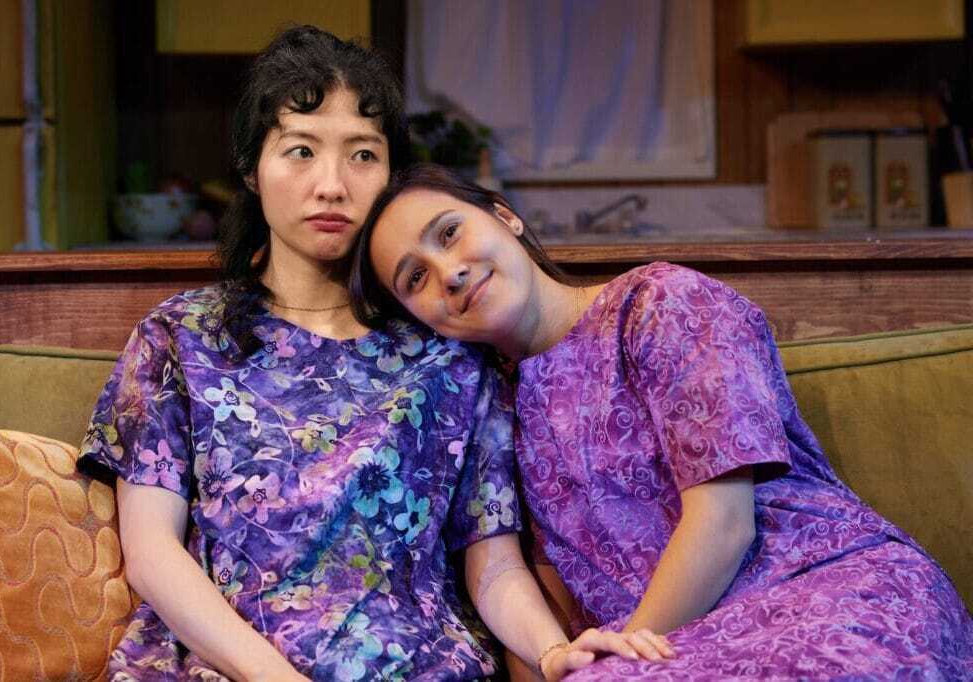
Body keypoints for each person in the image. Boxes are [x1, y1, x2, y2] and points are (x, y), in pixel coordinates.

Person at [78, 27, 663, 681]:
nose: (331, 185)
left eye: (362, 154)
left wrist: (554, 653)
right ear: (250, 168)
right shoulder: (182, 337)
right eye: (301, 151)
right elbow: (152, 550)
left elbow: (494, 564)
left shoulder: (448, 353)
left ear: (390, 176)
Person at [350, 163, 973, 679]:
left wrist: (622, 656)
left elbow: (724, 521)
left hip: (822, 592)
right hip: (665, 650)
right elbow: (546, 597)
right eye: (415, 277)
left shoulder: (662, 303)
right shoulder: (492, 409)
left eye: (450, 232)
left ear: (504, 216)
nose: (450, 272)